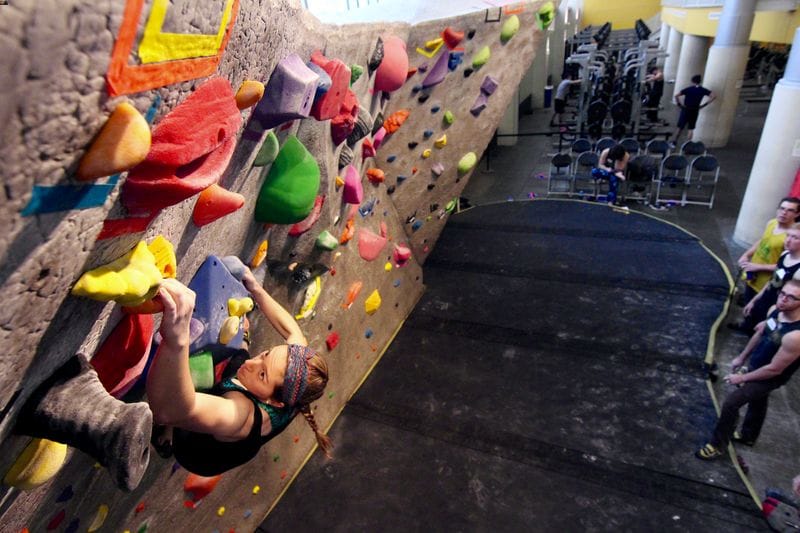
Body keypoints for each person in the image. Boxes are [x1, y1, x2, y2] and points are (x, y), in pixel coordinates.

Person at [146, 271, 331, 476]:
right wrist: (255, 288)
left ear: (275, 402)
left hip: (196, 451)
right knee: (240, 358)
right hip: (249, 399)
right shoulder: (294, 376)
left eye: (263, 374)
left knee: (182, 411)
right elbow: (293, 332)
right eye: (266, 354)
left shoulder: (239, 415)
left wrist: (176, 338)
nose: (253, 363)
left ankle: (166, 439)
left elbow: (168, 410)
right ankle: (245, 344)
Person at [696, 279, 800, 460]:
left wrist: (743, 377)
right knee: (758, 400)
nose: (783, 299)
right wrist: (742, 357)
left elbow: (775, 370)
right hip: (759, 363)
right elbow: (761, 334)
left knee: (731, 403)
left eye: (791, 298)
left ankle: (717, 445)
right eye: (782, 294)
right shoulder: (776, 310)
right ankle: (749, 436)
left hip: (771, 376)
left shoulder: (795, 336)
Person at [734, 198, 800, 308]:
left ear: (797, 214)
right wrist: (746, 255)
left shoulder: (791, 238)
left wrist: (758, 267)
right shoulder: (772, 223)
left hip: (767, 282)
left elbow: (786, 265)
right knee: (747, 300)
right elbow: (762, 241)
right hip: (752, 273)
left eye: (790, 210)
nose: (784, 213)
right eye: (782, 208)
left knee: (756, 307)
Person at [735, 227, 800, 334]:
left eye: (795, 238)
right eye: (788, 235)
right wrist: (754, 301)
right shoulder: (785, 255)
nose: (788, 240)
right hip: (766, 299)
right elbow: (772, 281)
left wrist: (773, 317)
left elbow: (793, 301)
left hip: (778, 308)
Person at [673, 74, 716, 145]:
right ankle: (687, 144)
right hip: (695, 110)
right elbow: (714, 96)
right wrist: (704, 105)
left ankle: (674, 142)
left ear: (692, 81)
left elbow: (676, 95)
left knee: (680, 127)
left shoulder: (688, 89)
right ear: (700, 81)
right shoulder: (703, 90)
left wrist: (679, 104)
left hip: (686, 109)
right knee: (691, 128)